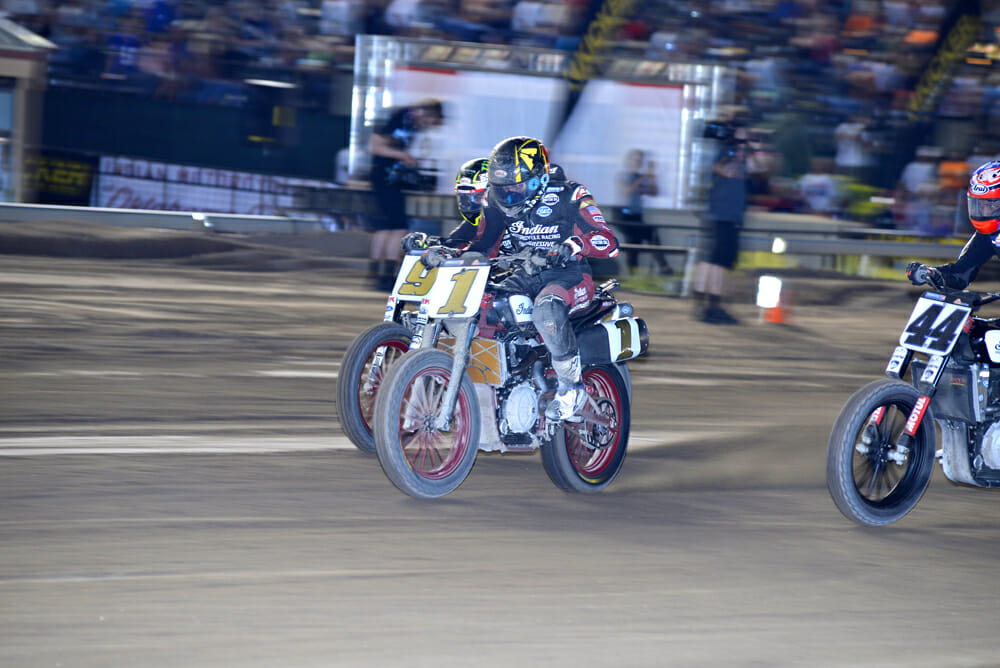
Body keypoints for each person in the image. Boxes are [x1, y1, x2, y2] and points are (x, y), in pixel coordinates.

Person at [421, 136, 620, 421]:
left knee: (547, 307)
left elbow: (608, 242)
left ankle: (571, 386)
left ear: (538, 179)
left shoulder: (570, 195)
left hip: (569, 275)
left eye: (517, 188)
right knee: (486, 304)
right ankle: (501, 382)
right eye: (502, 190)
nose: (509, 197)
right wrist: (447, 250)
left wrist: (572, 245)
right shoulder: (497, 204)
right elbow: (482, 242)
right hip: (523, 275)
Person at [368, 98, 444, 290]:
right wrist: (404, 157)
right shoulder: (400, 118)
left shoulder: (408, 122)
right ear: (424, 112)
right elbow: (375, 146)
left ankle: (376, 272)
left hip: (386, 178)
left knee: (385, 228)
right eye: (429, 121)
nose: (427, 125)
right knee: (399, 228)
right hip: (386, 179)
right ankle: (388, 274)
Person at [692, 123, 760, 325]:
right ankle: (711, 306)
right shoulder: (724, 152)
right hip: (722, 214)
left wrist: (749, 149)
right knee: (717, 262)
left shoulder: (740, 153)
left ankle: (708, 305)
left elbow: (759, 168)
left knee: (716, 261)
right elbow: (724, 170)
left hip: (730, 215)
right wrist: (739, 151)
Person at [907, 160, 1000, 290]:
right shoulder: (989, 233)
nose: (985, 212)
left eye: (993, 205)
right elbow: (960, 275)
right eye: (981, 205)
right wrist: (934, 274)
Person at [401, 157, 489, 252]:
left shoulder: (503, 219)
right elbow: (453, 242)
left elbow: (486, 251)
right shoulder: (477, 220)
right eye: (464, 196)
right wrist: (427, 244)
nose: (469, 202)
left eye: (477, 196)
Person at [617, 148, 669, 275]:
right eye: (636, 160)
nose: (638, 163)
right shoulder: (622, 176)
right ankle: (636, 273)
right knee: (634, 241)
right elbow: (626, 191)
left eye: (641, 160)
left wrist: (652, 177)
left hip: (636, 216)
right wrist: (644, 177)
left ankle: (662, 267)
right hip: (623, 215)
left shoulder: (640, 177)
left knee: (647, 237)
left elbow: (654, 192)